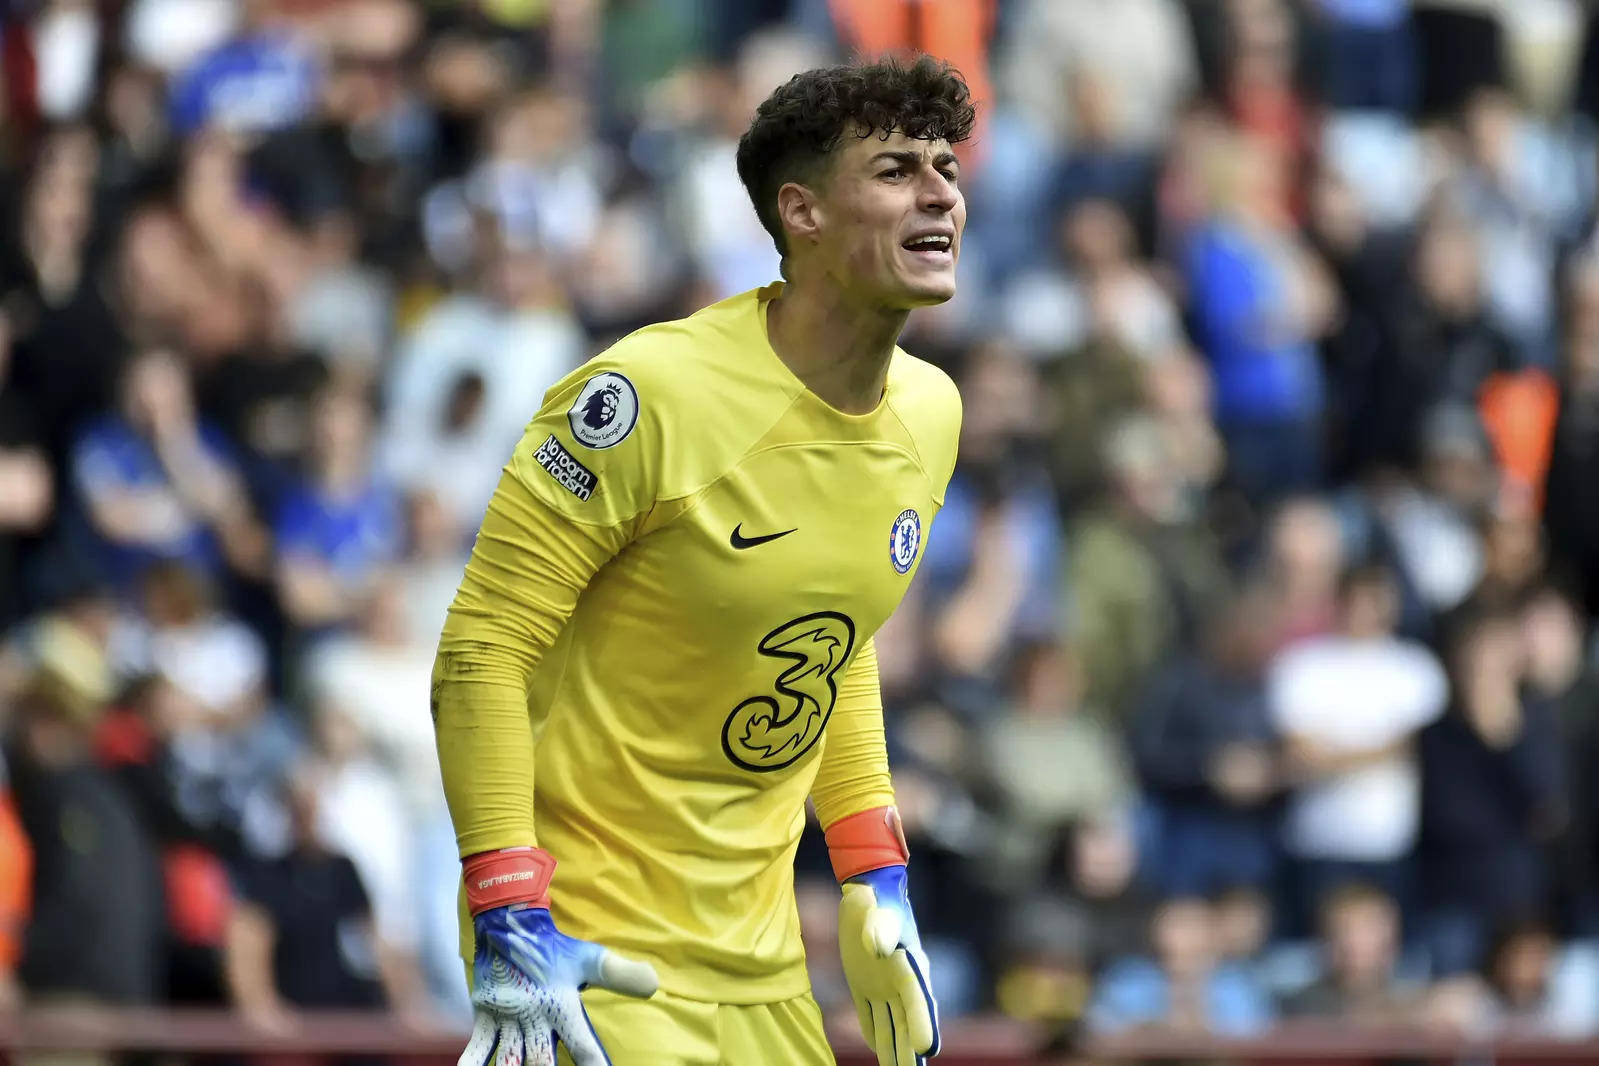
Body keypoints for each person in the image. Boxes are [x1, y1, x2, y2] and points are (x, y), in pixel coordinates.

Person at [431, 55, 969, 1066]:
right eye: (897, 169)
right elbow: (483, 650)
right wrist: (507, 907)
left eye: (947, 166)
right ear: (801, 213)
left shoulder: (931, 414)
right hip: (593, 953)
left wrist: (871, 870)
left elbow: (829, 630)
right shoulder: (648, 395)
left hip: (761, 969)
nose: (942, 190)